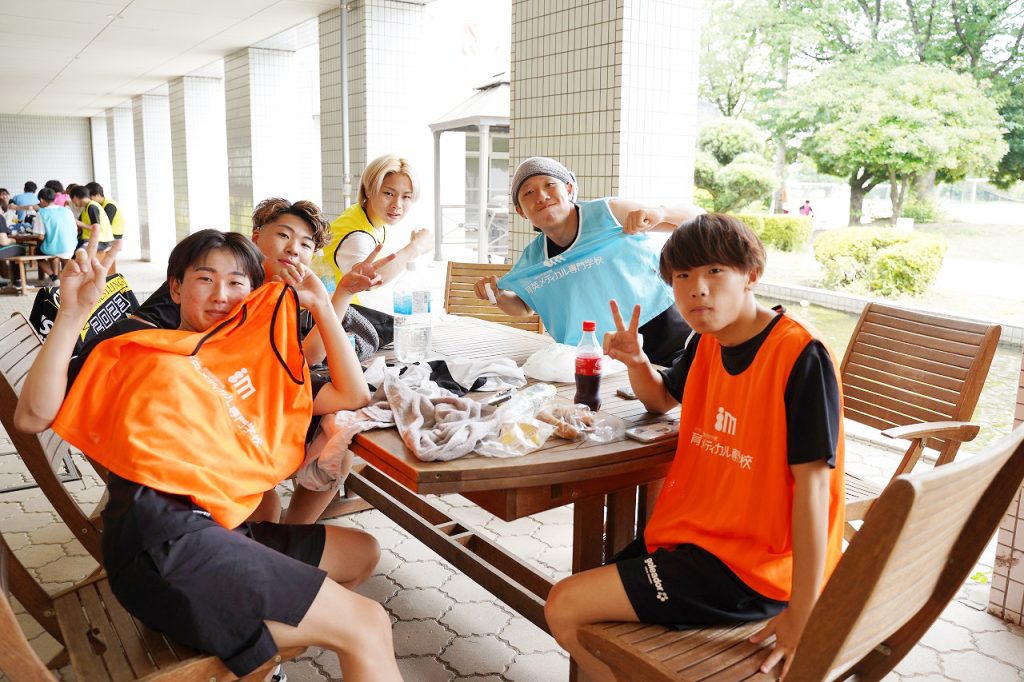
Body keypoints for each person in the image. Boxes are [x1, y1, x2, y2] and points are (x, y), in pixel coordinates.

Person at [14, 233, 402, 682]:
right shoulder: (142, 349)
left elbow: (352, 394)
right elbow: (31, 416)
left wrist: (321, 306)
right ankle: (250, 648)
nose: (221, 294)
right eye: (205, 279)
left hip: (218, 532)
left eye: (237, 283)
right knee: (365, 623)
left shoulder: (256, 366)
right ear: (176, 288)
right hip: (159, 542)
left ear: (253, 294)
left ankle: (246, 649)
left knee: (361, 552)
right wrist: (72, 314)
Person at [543, 213, 846, 681]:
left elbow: (814, 491)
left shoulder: (799, 354)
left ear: (751, 276)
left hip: (754, 569)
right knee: (587, 608)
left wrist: (804, 613)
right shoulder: (707, 341)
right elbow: (661, 399)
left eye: (714, 271)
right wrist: (638, 361)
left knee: (565, 606)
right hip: (698, 538)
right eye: (683, 276)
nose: (697, 289)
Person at [134, 197, 391, 524]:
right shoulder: (212, 277)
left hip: (254, 393)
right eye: (283, 235)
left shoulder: (282, 292)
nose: (294, 249)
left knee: (338, 431)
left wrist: (339, 295)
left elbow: (307, 356)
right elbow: (137, 332)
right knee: (269, 499)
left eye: (306, 244)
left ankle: (293, 532)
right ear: (256, 237)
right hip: (199, 408)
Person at [472, 157, 703, 366]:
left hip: (672, 339)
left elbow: (699, 220)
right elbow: (524, 307)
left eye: (549, 185)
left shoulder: (609, 213)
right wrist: (499, 296)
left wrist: (661, 212)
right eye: (528, 193)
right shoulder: (534, 258)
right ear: (521, 211)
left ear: (569, 189)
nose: (541, 196)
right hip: (608, 360)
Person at [323, 154, 432, 303]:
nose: (397, 205)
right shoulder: (358, 236)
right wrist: (415, 247)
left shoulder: (362, 214)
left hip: (334, 309)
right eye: (388, 193)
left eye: (406, 197)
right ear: (368, 190)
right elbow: (368, 280)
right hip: (327, 314)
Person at [34, 187, 77, 280]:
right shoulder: (67, 210)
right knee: (58, 254)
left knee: (37, 252)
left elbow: (40, 236)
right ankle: (63, 278)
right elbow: (75, 229)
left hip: (54, 249)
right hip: (71, 246)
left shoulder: (41, 212)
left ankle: (53, 276)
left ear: (41, 200)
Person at [70, 184, 113, 251]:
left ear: (75, 197)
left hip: (102, 241)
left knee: (80, 251)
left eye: (72, 199)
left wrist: (77, 222)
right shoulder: (86, 208)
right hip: (92, 239)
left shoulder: (92, 207)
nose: (73, 203)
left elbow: (96, 227)